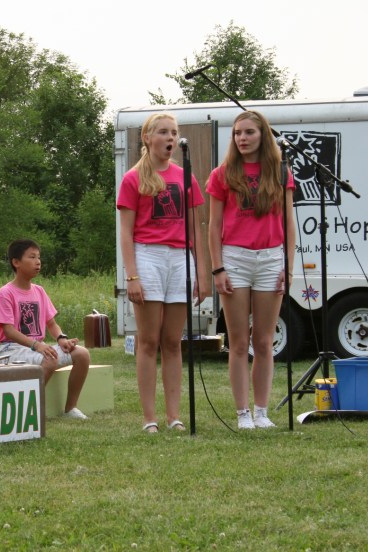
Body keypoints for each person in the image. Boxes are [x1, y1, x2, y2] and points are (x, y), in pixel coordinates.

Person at [117, 112, 209, 433]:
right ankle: (149, 418)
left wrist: (202, 272)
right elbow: (126, 233)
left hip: (180, 257)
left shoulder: (186, 177)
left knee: (173, 341)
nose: (170, 139)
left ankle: (174, 416)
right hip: (148, 257)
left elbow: (197, 228)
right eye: (163, 133)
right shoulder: (133, 179)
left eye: (174, 133)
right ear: (148, 138)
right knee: (148, 340)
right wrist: (131, 275)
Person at [207, 110, 295, 430]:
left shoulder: (280, 172)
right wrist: (218, 268)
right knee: (239, 341)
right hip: (235, 258)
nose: (242, 138)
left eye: (249, 133)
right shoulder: (223, 174)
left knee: (264, 340)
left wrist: (288, 264)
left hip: (271, 258)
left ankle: (262, 411)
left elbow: (288, 224)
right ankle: (242, 413)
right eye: (237, 133)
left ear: (263, 135)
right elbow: (214, 226)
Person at [0, 239, 91, 420]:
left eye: (39, 257)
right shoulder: (5, 293)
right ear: (16, 262)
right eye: (32, 257)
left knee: (82, 354)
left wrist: (62, 339)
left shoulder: (39, 291)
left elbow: (52, 324)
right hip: (11, 350)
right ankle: (28, 413)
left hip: (37, 348)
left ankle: (70, 409)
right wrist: (36, 345)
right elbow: (8, 330)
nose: (38, 261)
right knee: (49, 360)